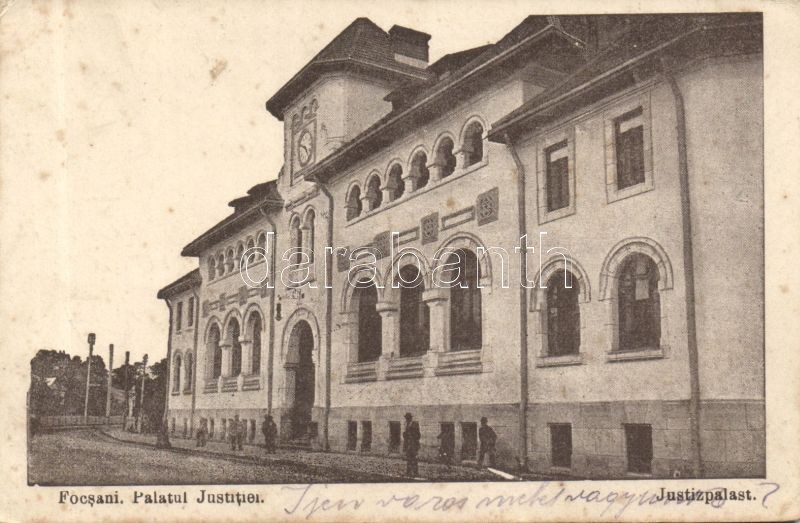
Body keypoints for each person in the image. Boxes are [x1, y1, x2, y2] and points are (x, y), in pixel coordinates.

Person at [402, 412, 421, 478]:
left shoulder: (415, 424)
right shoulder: (406, 425)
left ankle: (416, 473)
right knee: (409, 459)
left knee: (414, 459)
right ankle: (408, 472)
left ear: (410, 418)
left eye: (408, 418)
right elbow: (406, 435)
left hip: (414, 445)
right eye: (406, 418)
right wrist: (404, 434)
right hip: (408, 445)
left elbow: (418, 435)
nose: (407, 419)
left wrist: (412, 438)